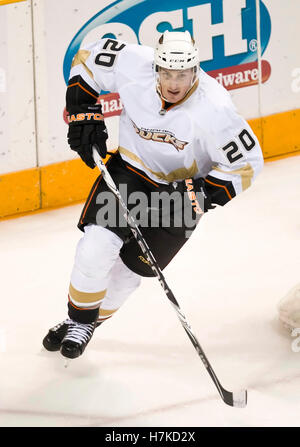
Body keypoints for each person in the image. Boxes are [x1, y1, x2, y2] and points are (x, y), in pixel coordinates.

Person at [43, 31, 264, 359]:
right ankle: (78, 320)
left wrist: (196, 197)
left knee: (128, 276)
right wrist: (83, 111)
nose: (174, 84)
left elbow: (247, 164)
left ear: (196, 70)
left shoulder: (216, 109)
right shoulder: (134, 63)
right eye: (167, 73)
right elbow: (87, 58)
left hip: (179, 195)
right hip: (129, 173)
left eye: (183, 74)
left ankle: (87, 322)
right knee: (95, 247)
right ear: (156, 67)